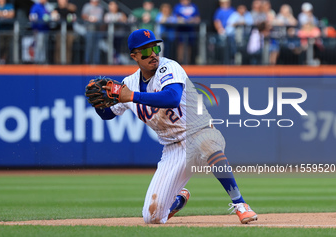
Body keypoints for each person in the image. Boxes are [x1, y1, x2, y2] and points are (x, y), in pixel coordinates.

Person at [89, 28, 258, 224]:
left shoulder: (169, 67)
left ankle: (240, 204)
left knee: (208, 145)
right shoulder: (130, 83)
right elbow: (108, 114)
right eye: (145, 51)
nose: (152, 54)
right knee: (151, 217)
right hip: (172, 149)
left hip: (199, 131)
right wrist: (98, 103)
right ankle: (177, 200)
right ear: (134, 56)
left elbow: (172, 97)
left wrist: (132, 96)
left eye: (155, 48)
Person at [173, 0, 201, 64]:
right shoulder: (178, 7)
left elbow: (198, 18)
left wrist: (192, 20)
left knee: (189, 45)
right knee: (180, 45)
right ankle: (180, 61)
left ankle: (188, 61)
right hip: (181, 29)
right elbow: (175, 17)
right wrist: (181, 20)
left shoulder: (194, 6)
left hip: (190, 28)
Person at [51, 0, 77, 64]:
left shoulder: (70, 8)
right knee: (58, 48)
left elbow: (74, 8)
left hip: (69, 31)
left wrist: (66, 6)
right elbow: (53, 16)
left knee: (68, 48)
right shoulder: (56, 9)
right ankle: (58, 63)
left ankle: (67, 62)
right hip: (59, 32)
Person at [81, 0, 104, 64]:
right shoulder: (87, 6)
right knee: (89, 46)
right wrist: (90, 18)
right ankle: (87, 61)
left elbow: (101, 18)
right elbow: (83, 16)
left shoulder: (100, 7)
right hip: (90, 28)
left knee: (97, 47)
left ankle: (96, 62)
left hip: (98, 29)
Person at [0, 0, 15, 64]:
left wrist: (0, 14)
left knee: (7, 46)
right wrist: (5, 14)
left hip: (8, 30)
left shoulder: (9, 6)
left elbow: (11, 14)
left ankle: (4, 60)